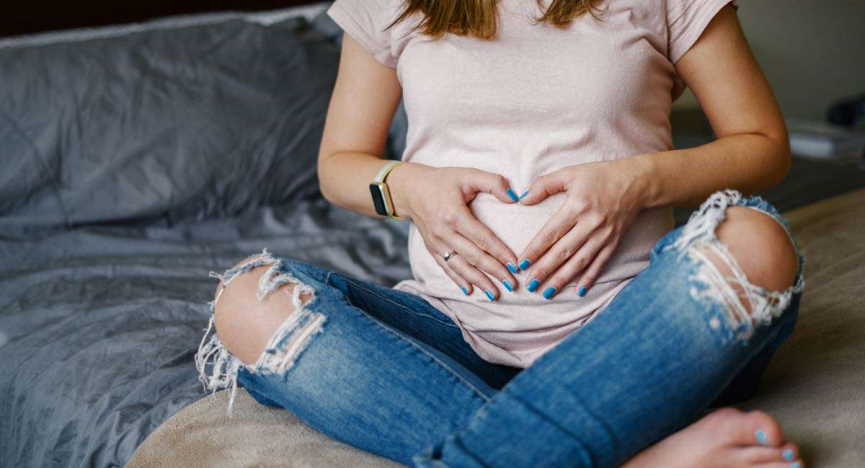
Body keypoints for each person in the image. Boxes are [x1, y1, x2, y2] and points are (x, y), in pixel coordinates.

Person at [195, 0, 808, 466]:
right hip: (454, 331)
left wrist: (636, 181)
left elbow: (763, 147)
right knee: (248, 299)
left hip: (634, 329)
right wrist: (409, 188)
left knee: (753, 238)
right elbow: (339, 166)